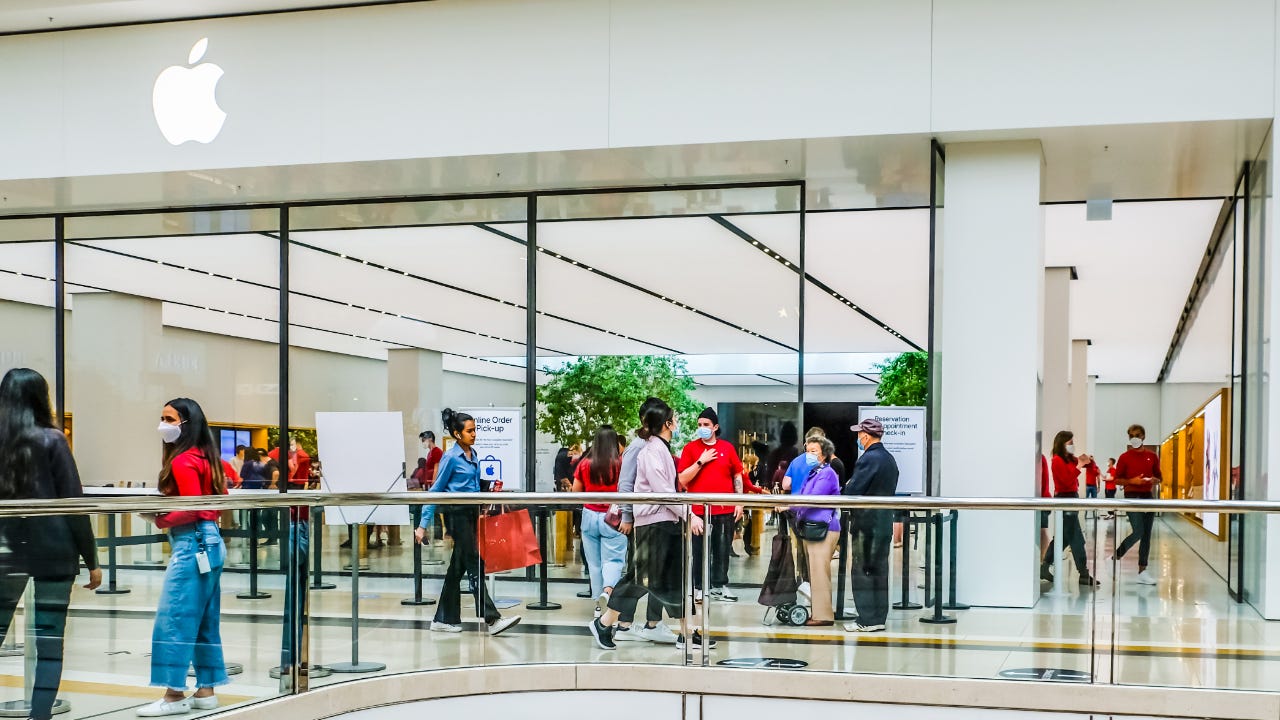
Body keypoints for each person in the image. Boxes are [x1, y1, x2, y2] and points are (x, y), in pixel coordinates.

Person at [0, 369, 101, 720]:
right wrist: (92, 558)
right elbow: (73, 503)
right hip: (55, 551)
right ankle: (39, 715)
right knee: (50, 640)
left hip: (8, 551)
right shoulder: (51, 439)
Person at [590, 399, 711, 651]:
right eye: (674, 418)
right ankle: (605, 622)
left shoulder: (659, 449)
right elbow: (663, 492)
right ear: (666, 423)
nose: (676, 422)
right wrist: (691, 515)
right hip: (654, 525)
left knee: (675, 579)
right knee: (638, 579)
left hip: (664, 522)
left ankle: (687, 633)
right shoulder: (650, 452)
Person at [138, 398, 230, 717]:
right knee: (205, 621)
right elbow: (216, 502)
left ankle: (174, 694)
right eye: (162, 416)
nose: (162, 424)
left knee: (174, 618)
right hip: (212, 541)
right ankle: (206, 690)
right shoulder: (207, 457)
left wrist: (159, 518)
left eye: (169, 418)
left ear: (186, 424)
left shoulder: (182, 460)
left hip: (191, 544)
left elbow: (190, 507)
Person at [414, 408, 521, 636]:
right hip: (458, 515)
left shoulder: (473, 455)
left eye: (475, 430)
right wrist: (423, 524)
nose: (474, 434)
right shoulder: (451, 458)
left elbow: (471, 485)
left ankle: (443, 618)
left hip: (472, 515)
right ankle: (492, 619)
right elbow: (436, 490)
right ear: (456, 433)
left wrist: (487, 486)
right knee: (475, 562)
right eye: (470, 431)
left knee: (457, 568)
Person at [611, 397, 669, 643]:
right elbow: (625, 483)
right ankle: (622, 622)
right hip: (643, 519)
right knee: (640, 574)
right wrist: (627, 515)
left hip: (654, 517)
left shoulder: (655, 445)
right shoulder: (639, 447)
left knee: (654, 574)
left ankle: (650, 623)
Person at [676, 407, 744, 603]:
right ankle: (699, 587)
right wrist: (700, 461)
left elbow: (737, 474)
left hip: (725, 508)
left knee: (722, 550)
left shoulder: (727, 448)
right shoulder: (691, 449)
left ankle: (720, 586)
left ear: (715, 427)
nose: (702, 428)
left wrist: (739, 502)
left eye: (706, 425)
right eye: (699, 425)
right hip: (698, 510)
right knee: (699, 551)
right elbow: (683, 479)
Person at [842, 418, 898, 633]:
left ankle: (866, 618)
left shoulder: (868, 459)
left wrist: (847, 487)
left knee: (862, 570)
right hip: (884, 522)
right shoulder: (889, 459)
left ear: (865, 436)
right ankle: (878, 617)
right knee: (879, 570)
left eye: (859, 434)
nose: (858, 438)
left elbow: (852, 491)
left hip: (866, 524)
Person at [573, 425, 627, 616]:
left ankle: (598, 605)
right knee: (613, 560)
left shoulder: (585, 463)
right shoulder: (621, 463)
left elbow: (575, 493)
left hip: (589, 515)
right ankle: (607, 592)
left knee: (593, 564)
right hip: (613, 516)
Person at [792, 435, 841, 626]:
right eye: (807, 450)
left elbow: (812, 498)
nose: (809, 455)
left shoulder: (827, 474)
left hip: (824, 528)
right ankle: (821, 612)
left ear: (824, 455)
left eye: (814, 451)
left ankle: (823, 616)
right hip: (813, 528)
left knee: (819, 573)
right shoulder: (814, 472)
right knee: (816, 572)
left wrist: (788, 506)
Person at [1043, 431, 1101, 587]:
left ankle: (1045, 565)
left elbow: (1091, 467)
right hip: (1064, 498)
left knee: (1066, 536)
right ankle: (1083, 574)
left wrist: (1089, 462)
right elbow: (1066, 480)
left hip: (1072, 497)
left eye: (1072, 442)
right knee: (1076, 538)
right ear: (1061, 444)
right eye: (1069, 443)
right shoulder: (1056, 460)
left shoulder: (1070, 459)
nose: (1072, 446)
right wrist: (1080, 466)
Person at [1114, 425, 1161, 585]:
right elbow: (1117, 479)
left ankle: (1143, 570)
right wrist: (1131, 481)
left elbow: (1159, 476)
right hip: (1132, 496)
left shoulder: (1152, 456)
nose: (1135, 438)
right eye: (1132, 436)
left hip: (1148, 496)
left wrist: (1155, 480)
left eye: (1138, 435)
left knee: (1146, 534)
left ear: (1144, 436)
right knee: (1139, 531)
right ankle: (1116, 556)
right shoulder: (1124, 457)